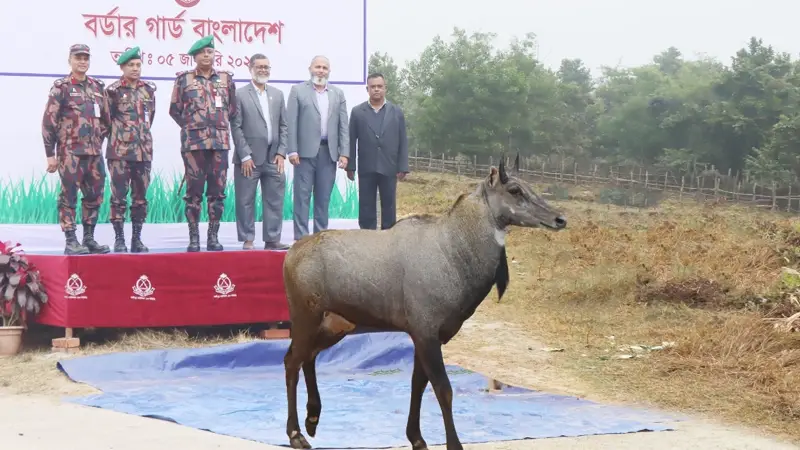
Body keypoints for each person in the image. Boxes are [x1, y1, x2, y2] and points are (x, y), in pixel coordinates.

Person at [169, 35, 237, 252]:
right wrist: (192, 127)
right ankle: (194, 237)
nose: (207, 56)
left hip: (219, 143)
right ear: (194, 56)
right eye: (202, 53)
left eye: (210, 52)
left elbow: (232, 110)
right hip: (194, 144)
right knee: (193, 192)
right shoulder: (184, 80)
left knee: (217, 192)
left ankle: (213, 236)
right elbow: (174, 110)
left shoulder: (226, 79)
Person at [42, 43, 111, 255]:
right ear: (70, 60)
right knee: (68, 196)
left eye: (85, 58)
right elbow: (48, 122)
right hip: (70, 152)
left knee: (94, 196)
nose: (82, 61)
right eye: (78, 58)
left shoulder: (98, 88)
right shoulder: (61, 88)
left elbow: (106, 121)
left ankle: (88, 238)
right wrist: (50, 155)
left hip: (93, 154)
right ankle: (71, 240)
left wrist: (97, 141)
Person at [286, 55, 349, 240]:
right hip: (303, 154)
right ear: (310, 69)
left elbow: (343, 125)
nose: (321, 70)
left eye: (324, 68)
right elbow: (292, 122)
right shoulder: (298, 91)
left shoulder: (338, 94)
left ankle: (320, 238)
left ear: (329, 71)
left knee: (323, 199)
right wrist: (292, 150)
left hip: (328, 153)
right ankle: (301, 240)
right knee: (302, 198)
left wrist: (344, 153)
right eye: (318, 67)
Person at [231, 53, 290, 250]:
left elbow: (284, 126)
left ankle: (272, 239)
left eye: (266, 67)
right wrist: (245, 155)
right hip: (248, 159)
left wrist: (282, 152)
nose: (263, 70)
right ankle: (248, 239)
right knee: (245, 200)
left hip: (274, 158)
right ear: (251, 68)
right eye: (259, 67)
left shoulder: (277, 94)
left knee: (275, 200)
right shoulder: (240, 94)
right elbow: (236, 126)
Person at [104, 46, 156, 253]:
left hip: (143, 152)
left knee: (140, 198)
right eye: (131, 65)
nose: (135, 69)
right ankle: (119, 239)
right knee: (118, 198)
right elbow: (106, 121)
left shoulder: (148, 90)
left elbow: (149, 118)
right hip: (120, 152)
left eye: (138, 65)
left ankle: (137, 239)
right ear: (122, 67)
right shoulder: (113, 91)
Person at [347, 72, 409, 230]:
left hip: (389, 166)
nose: (376, 89)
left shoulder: (396, 112)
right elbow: (351, 140)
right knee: (366, 205)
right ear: (367, 89)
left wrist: (403, 166)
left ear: (385, 88)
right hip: (367, 166)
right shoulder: (357, 112)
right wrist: (350, 166)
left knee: (389, 205)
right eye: (373, 86)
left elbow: (403, 141)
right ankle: (367, 238)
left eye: (379, 86)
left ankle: (388, 239)